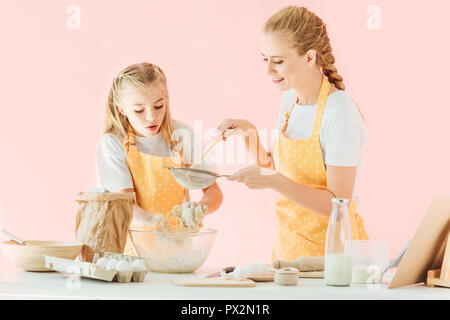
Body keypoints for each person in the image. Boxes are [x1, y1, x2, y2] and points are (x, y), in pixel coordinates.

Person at [217, 6, 368, 261]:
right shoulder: (290, 101)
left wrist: (274, 181)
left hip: (333, 259)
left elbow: (338, 206)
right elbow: (276, 169)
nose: (268, 71)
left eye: (278, 61)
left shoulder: (339, 114)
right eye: (265, 59)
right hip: (289, 253)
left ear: (309, 58)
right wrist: (248, 132)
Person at [96, 62, 223, 255]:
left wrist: (200, 209)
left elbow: (214, 192)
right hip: (130, 254)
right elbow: (125, 205)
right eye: (139, 110)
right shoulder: (113, 143)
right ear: (121, 108)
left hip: (177, 250)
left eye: (158, 106)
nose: (151, 117)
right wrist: (152, 221)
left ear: (167, 99)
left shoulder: (181, 135)